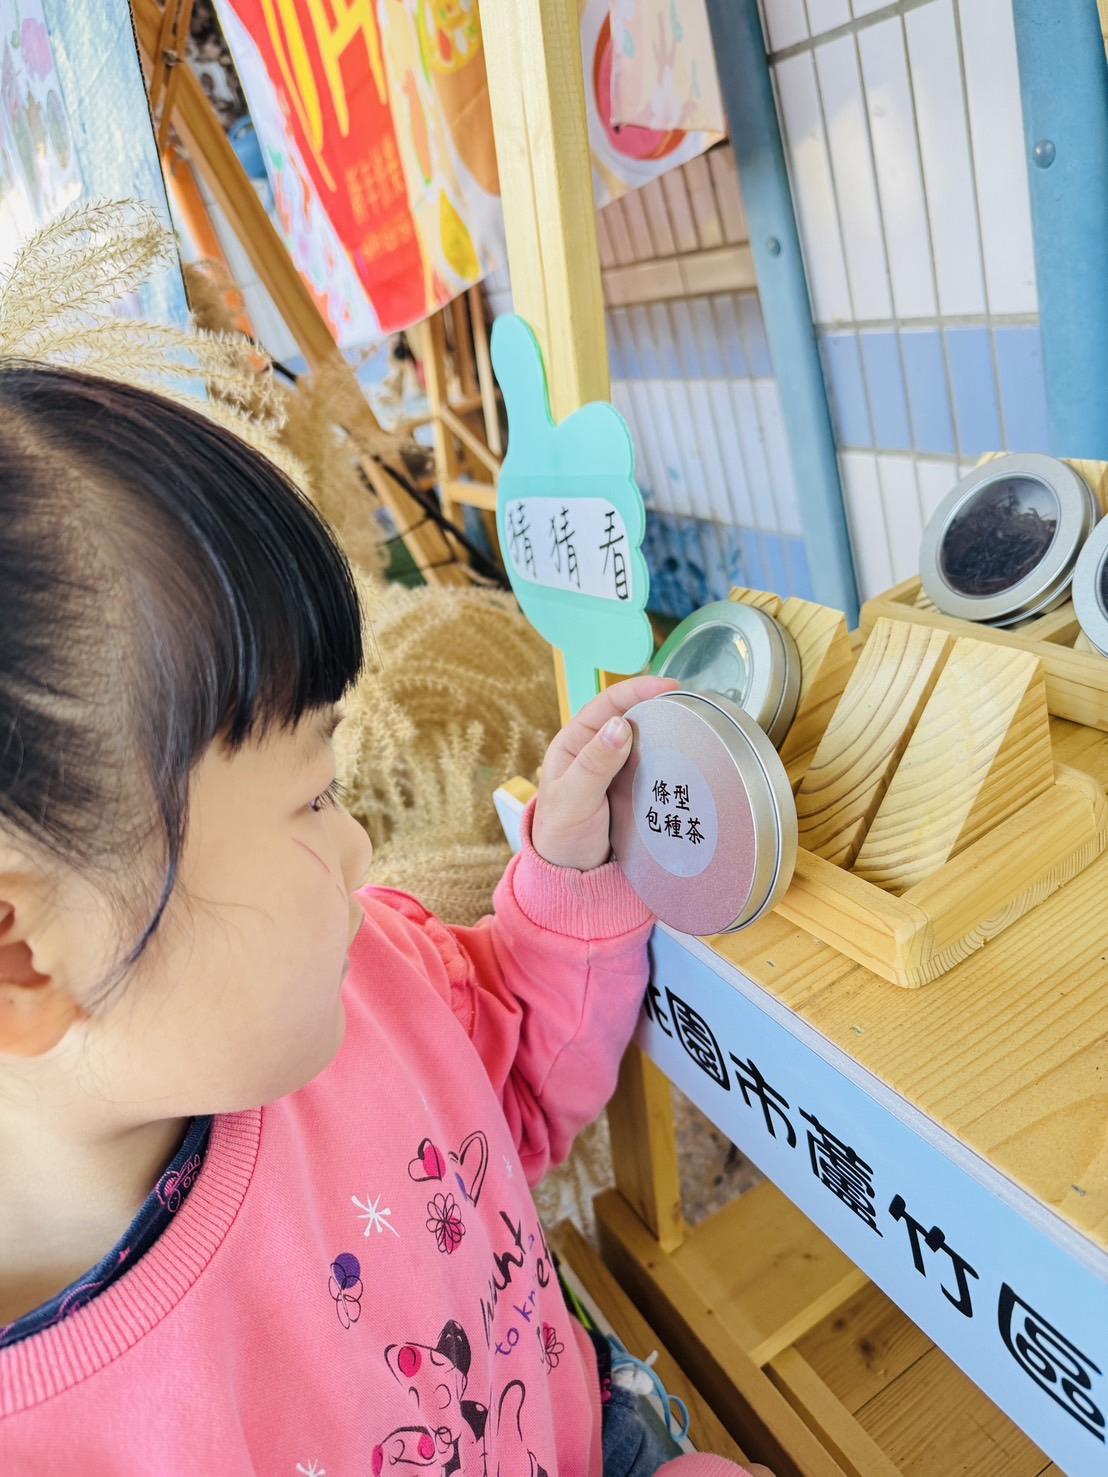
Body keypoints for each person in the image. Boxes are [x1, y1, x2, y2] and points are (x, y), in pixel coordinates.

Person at [0, 365, 773, 1477]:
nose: (359, 846)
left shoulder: (367, 979)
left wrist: (569, 876)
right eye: (313, 797)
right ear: (25, 955)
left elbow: (507, 1085)